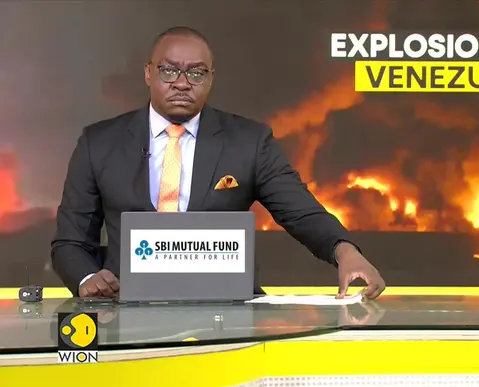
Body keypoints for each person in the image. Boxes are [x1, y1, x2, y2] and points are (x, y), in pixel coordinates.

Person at [51, 26, 386, 300]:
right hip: (126, 307)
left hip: (227, 311)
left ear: (211, 78)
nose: (182, 82)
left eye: (196, 73)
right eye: (169, 70)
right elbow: (71, 242)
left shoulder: (249, 142)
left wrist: (345, 251)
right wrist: (88, 279)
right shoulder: (99, 143)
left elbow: (301, 212)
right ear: (148, 73)